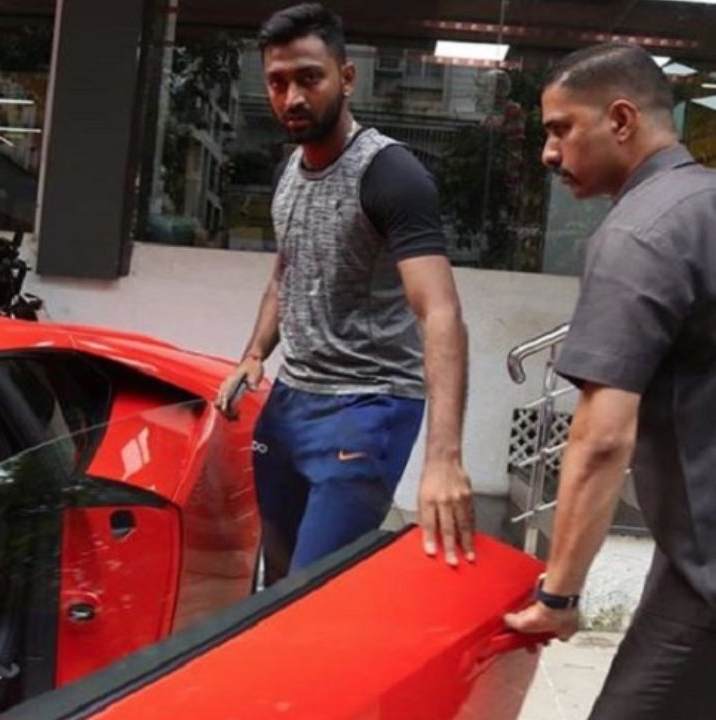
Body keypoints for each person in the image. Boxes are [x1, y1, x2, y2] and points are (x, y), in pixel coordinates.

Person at [215, 3, 474, 586]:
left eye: (309, 77)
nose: (292, 98)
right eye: (278, 83)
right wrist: (255, 352)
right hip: (290, 402)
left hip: (367, 408)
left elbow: (441, 314)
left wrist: (444, 458)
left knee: (313, 593)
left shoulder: (390, 175)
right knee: (275, 585)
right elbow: (287, 271)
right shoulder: (290, 168)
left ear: (346, 77)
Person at [504, 42, 716, 719]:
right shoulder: (705, 204)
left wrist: (559, 594)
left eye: (559, 127)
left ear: (620, 119)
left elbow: (599, 439)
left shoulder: (638, 235)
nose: (547, 151)